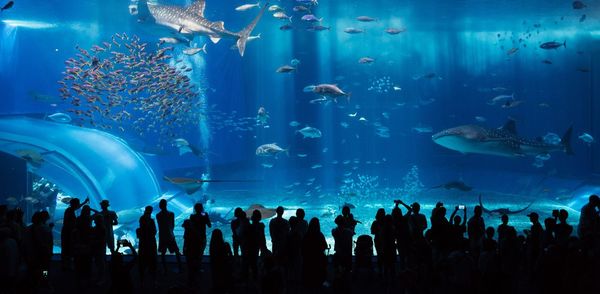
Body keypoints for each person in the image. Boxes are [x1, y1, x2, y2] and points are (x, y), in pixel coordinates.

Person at [61, 197, 89, 270]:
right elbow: (68, 223)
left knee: (68, 248)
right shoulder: (69, 211)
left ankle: (67, 265)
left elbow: (77, 207)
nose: (79, 204)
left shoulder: (70, 209)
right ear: (75, 204)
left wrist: (84, 202)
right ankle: (65, 265)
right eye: (78, 203)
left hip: (68, 231)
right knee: (66, 247)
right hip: (67, 232)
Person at [156, 199, 182, 274]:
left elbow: (160, 225)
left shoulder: (158, 215)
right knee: (177, 251)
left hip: (162, 236)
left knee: (163, 253)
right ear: (166, 204)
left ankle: (165, 269)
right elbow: (172, 225)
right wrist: (170, 231)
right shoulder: (171, 214)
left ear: (160, 206)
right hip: (170, 235)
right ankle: (180, 267)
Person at [301, 218, 328, 289]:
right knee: (318, 275)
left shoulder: (306, 235)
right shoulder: (320, 235)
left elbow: (303, 247)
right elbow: (325, 246)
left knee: (309, 274)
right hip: (318, 259)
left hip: (309, 259)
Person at [137, 206, 157, 287]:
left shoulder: (143, 223)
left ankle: (142, 281)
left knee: (143, 264)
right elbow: (154, 232)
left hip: (144, 245)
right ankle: (152, 281)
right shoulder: (150, 221)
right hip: (150, 245)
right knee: (151, 263)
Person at [244, 209, 267, 279]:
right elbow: (263, 236)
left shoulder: (249, 226)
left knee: (251, 261)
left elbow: (247, 236)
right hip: (257, 244)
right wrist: (264, 245)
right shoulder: (261, 225)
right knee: (255, 261)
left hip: (250, 245)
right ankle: (256, 276)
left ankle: (251, 276)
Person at [209, 229, 233, 293]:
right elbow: (230, 255)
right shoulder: (226, 245)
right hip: (225, 265)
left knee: (216, 278)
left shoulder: (212, 246)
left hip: (215, 265)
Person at [370, 208, 385, 274]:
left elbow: (372, 232)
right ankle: (385, 269)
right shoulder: (386, 221)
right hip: (385, 240)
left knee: (379, 254)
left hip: (378, 240)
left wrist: (377, 231)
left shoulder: (375, 222)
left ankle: (380, 270)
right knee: (384, 254)